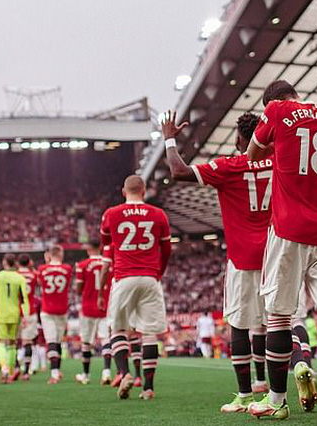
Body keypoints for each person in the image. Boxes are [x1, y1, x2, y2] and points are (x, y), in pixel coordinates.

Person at [245, 80, 317, 424]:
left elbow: (252, 155)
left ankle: (277, 400)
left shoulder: (276, 111)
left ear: (271, 101)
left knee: (279, 314)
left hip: (289, 227)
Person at [161, 109, 272, 412]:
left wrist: (170, 139)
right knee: (281, 322)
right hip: (278, 255)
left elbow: (179, 171)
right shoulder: (281, 163)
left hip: (243, 257)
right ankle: (279, 392)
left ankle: (245, 395)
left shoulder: (230, 166)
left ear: (239, 139)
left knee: (238, 325)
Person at [100, 175, 172, 401]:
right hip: (150, 278)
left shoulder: (111, 214)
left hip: (124, 277)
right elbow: (167, 249)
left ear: (124, 191)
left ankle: (125, 373)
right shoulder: (158, 214)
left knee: (118, 329)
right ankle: (148, 388)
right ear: (143, 191)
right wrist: (158, 272)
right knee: (149, 333)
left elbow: (106, 249)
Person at [0, 253, 30, 384]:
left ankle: (4, 369)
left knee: (1, 342)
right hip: (15, 314)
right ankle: (11, 371)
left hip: (1, 315)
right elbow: (25, 299)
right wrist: (26, 315)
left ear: (4, 262)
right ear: (14, 263)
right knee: (12, 343)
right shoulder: (20, 278)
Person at [74, 242, 114, 386]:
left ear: (90, 249)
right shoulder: (109, 264)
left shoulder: (82, 265)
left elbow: (78, 289)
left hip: (88, 307)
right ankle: (107, 372)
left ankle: (86, 375)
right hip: (105, 306)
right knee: (105, 340)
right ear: (101, 248)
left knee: (86, 342)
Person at [36, 244, 74, 384]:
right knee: (57, 341)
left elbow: (41, 283)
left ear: (49, 255)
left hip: (47, 309)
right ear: (60, 254)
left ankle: (54, 373)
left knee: (51, 341)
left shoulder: (42, 269)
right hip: (62, 309)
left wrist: (47, 262)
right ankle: (57, 370)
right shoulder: (67, 268)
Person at [16, 253, 38, 380]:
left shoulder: (15, 276)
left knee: (14, 342)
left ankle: (17, 367)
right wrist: (32, 268)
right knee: (28, 342)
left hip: (16, 311)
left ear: (18, 263)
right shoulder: (33, 275)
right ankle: (26, 371)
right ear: (29, 262)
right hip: (30, 310)